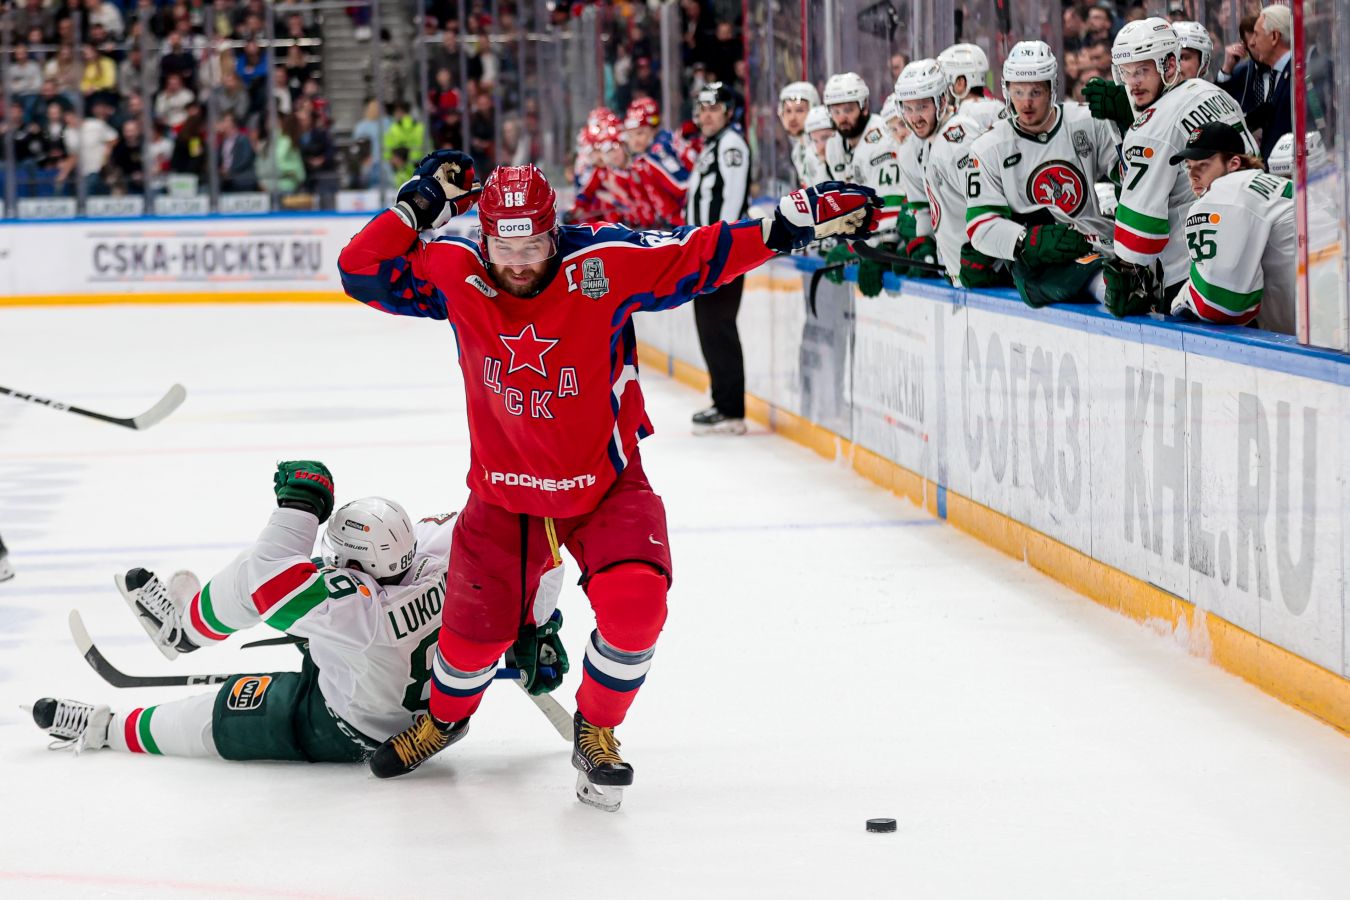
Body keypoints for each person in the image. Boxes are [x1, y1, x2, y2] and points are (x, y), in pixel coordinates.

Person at [336, 150, 878, 809]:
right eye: (503, 248)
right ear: (481, 237)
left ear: (553, 230)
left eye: (533, 244)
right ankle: (444, 720)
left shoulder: (604, 265)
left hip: (605, 486)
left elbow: (695, 255)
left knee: (637, 608)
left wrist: (785, 226)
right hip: (503, 497)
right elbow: (359, 270)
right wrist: (420, 205)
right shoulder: (455, 270)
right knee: (469, 645)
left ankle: (597, 727)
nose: (518, 264)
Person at [30, 460, 566, 761]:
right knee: (290, 584)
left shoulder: (355, 611)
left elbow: (266, 580)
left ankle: (120, 710)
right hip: (409, 684)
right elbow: (540, 544)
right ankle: (189, 624)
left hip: (346, 723)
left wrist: (299, 509)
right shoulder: (442, 550)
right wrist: (536, 625)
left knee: (213, 717)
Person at [1085, 18, 1255, 315]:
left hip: (1194, 277)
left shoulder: (1151, 127)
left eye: (1143, 70)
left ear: (1170, 65)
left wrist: (1123, 269)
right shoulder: (1215, 94)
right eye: (1126, 72)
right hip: (1252, 256)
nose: (1133, 82)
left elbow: (1139, 239)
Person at [965, 41, 1118, 308]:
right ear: (1006, 91)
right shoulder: (987, 148)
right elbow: (980, 226)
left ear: (1051, 89)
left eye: (1035, 91)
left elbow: (1130, 177)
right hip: (1043, 265)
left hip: (1102, 244)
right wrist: (1024, 241)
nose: (1026, 102)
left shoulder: (1087, 122)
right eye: (1018, 91)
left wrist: (1127, 125)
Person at [1166, 122, 1295, 333]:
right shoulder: (1271, 184)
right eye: (1189, 166)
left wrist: (1182, 300)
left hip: (1315, 338)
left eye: (1203, 165)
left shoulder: (1226, 192)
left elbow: (1219, 304)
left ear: (1234, 163)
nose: (1193, 176)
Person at [685, 81, 754, 435]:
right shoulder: (712, 145)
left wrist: (720, 247)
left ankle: (730, 409)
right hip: (707, 250)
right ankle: (723, 403)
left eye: (713, 108)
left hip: (720, 251)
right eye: (702, 108)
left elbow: (734, 198)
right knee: (710, 326)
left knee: (718, 326)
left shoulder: (731, 145)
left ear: (728, 111)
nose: (706, 115)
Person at [892, 59, 988, 287]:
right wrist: (924, 244)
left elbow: (988, 204)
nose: (914, 117)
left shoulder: (958, 139)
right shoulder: (928, 142)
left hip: (985, 276)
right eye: (908, 108)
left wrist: (988, 258)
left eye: (922, 107)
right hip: (961, 277)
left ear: (942, 101)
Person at [1244, 5, 1293, 160]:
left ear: (1274, 37)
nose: (1252, 42)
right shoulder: (1279, 74)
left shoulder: (1297, 74)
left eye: (1257, 34)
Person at [936, 43, 1003, 131]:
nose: (945, 88)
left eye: (947, 81)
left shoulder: (964, 116)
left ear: (960, 83)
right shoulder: (999, 107)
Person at [777, 81, 827, 188]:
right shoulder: (797, 151)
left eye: (799, 110)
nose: (792, 118)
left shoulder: (824, 147)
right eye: (788, 111)